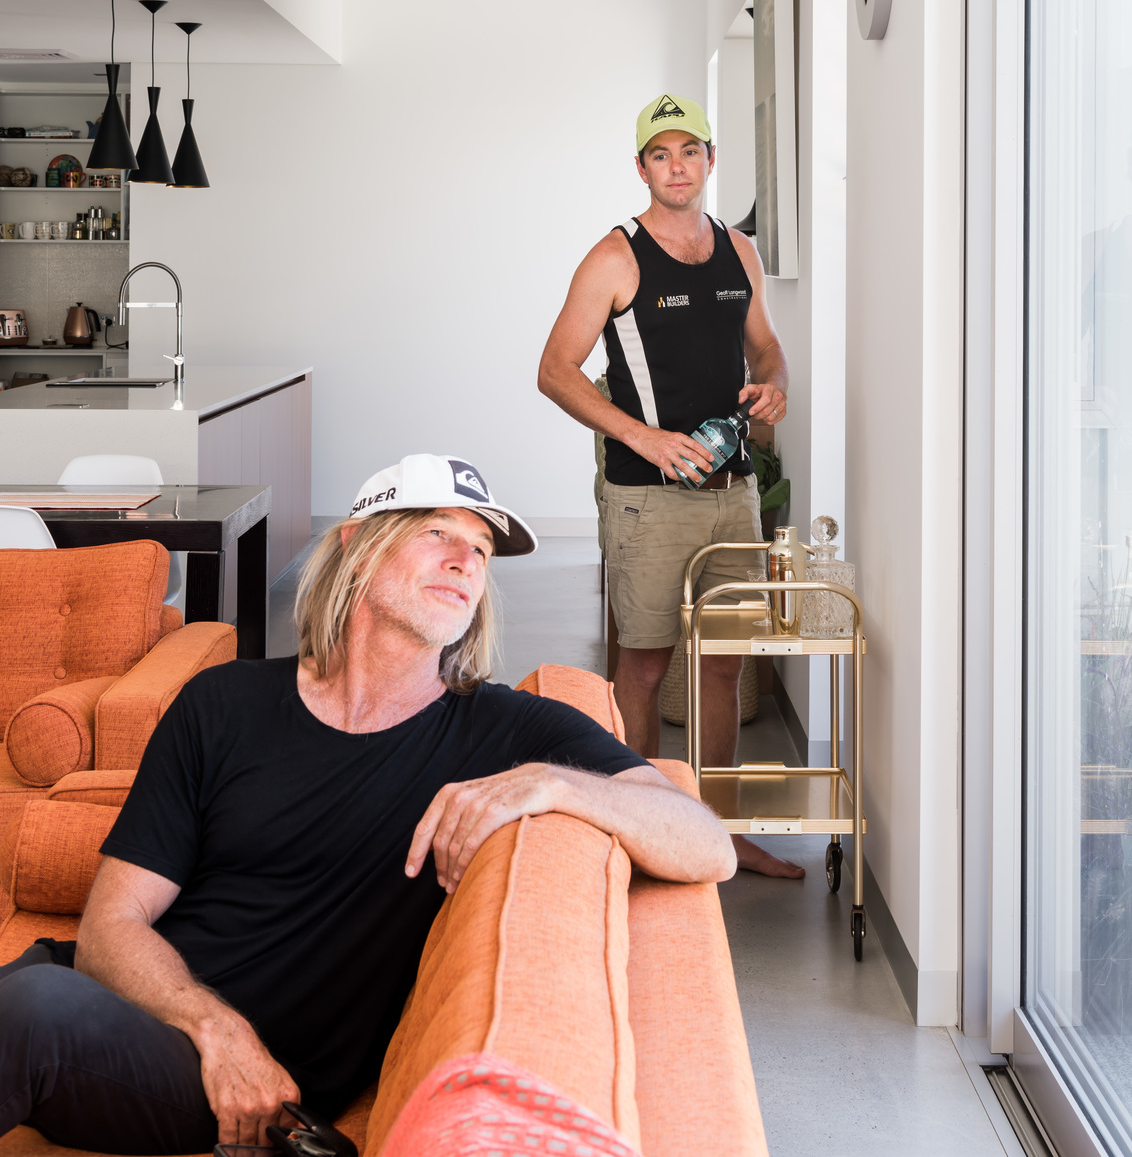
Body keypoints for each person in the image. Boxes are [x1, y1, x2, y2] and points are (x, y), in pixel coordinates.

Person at [0, 453, 734, 1156]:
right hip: (144, 1005)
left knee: (30, 1014)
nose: (466, 561)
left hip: (216, 1076)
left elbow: (707, 843)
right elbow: (110, 924)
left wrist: (557, 784)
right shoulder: (223, 702)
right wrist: (216, 1026)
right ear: (357, 546)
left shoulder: (508, 732)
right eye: (438, 532)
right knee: (32, 996)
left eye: (482, 550)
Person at [538, 92, 802, 880]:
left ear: (710, 160)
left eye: (690, 151)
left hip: (734, 492)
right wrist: (641, 436)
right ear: (642, 168)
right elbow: (555, 370)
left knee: (723, 663)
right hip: (647, 501)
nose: (677, 167)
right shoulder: (615, 257)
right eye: (662, 154)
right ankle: (638, 836)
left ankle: (716, 835)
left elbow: (766, 348)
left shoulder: (739, 252)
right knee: (645, 667)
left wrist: (775, 385)